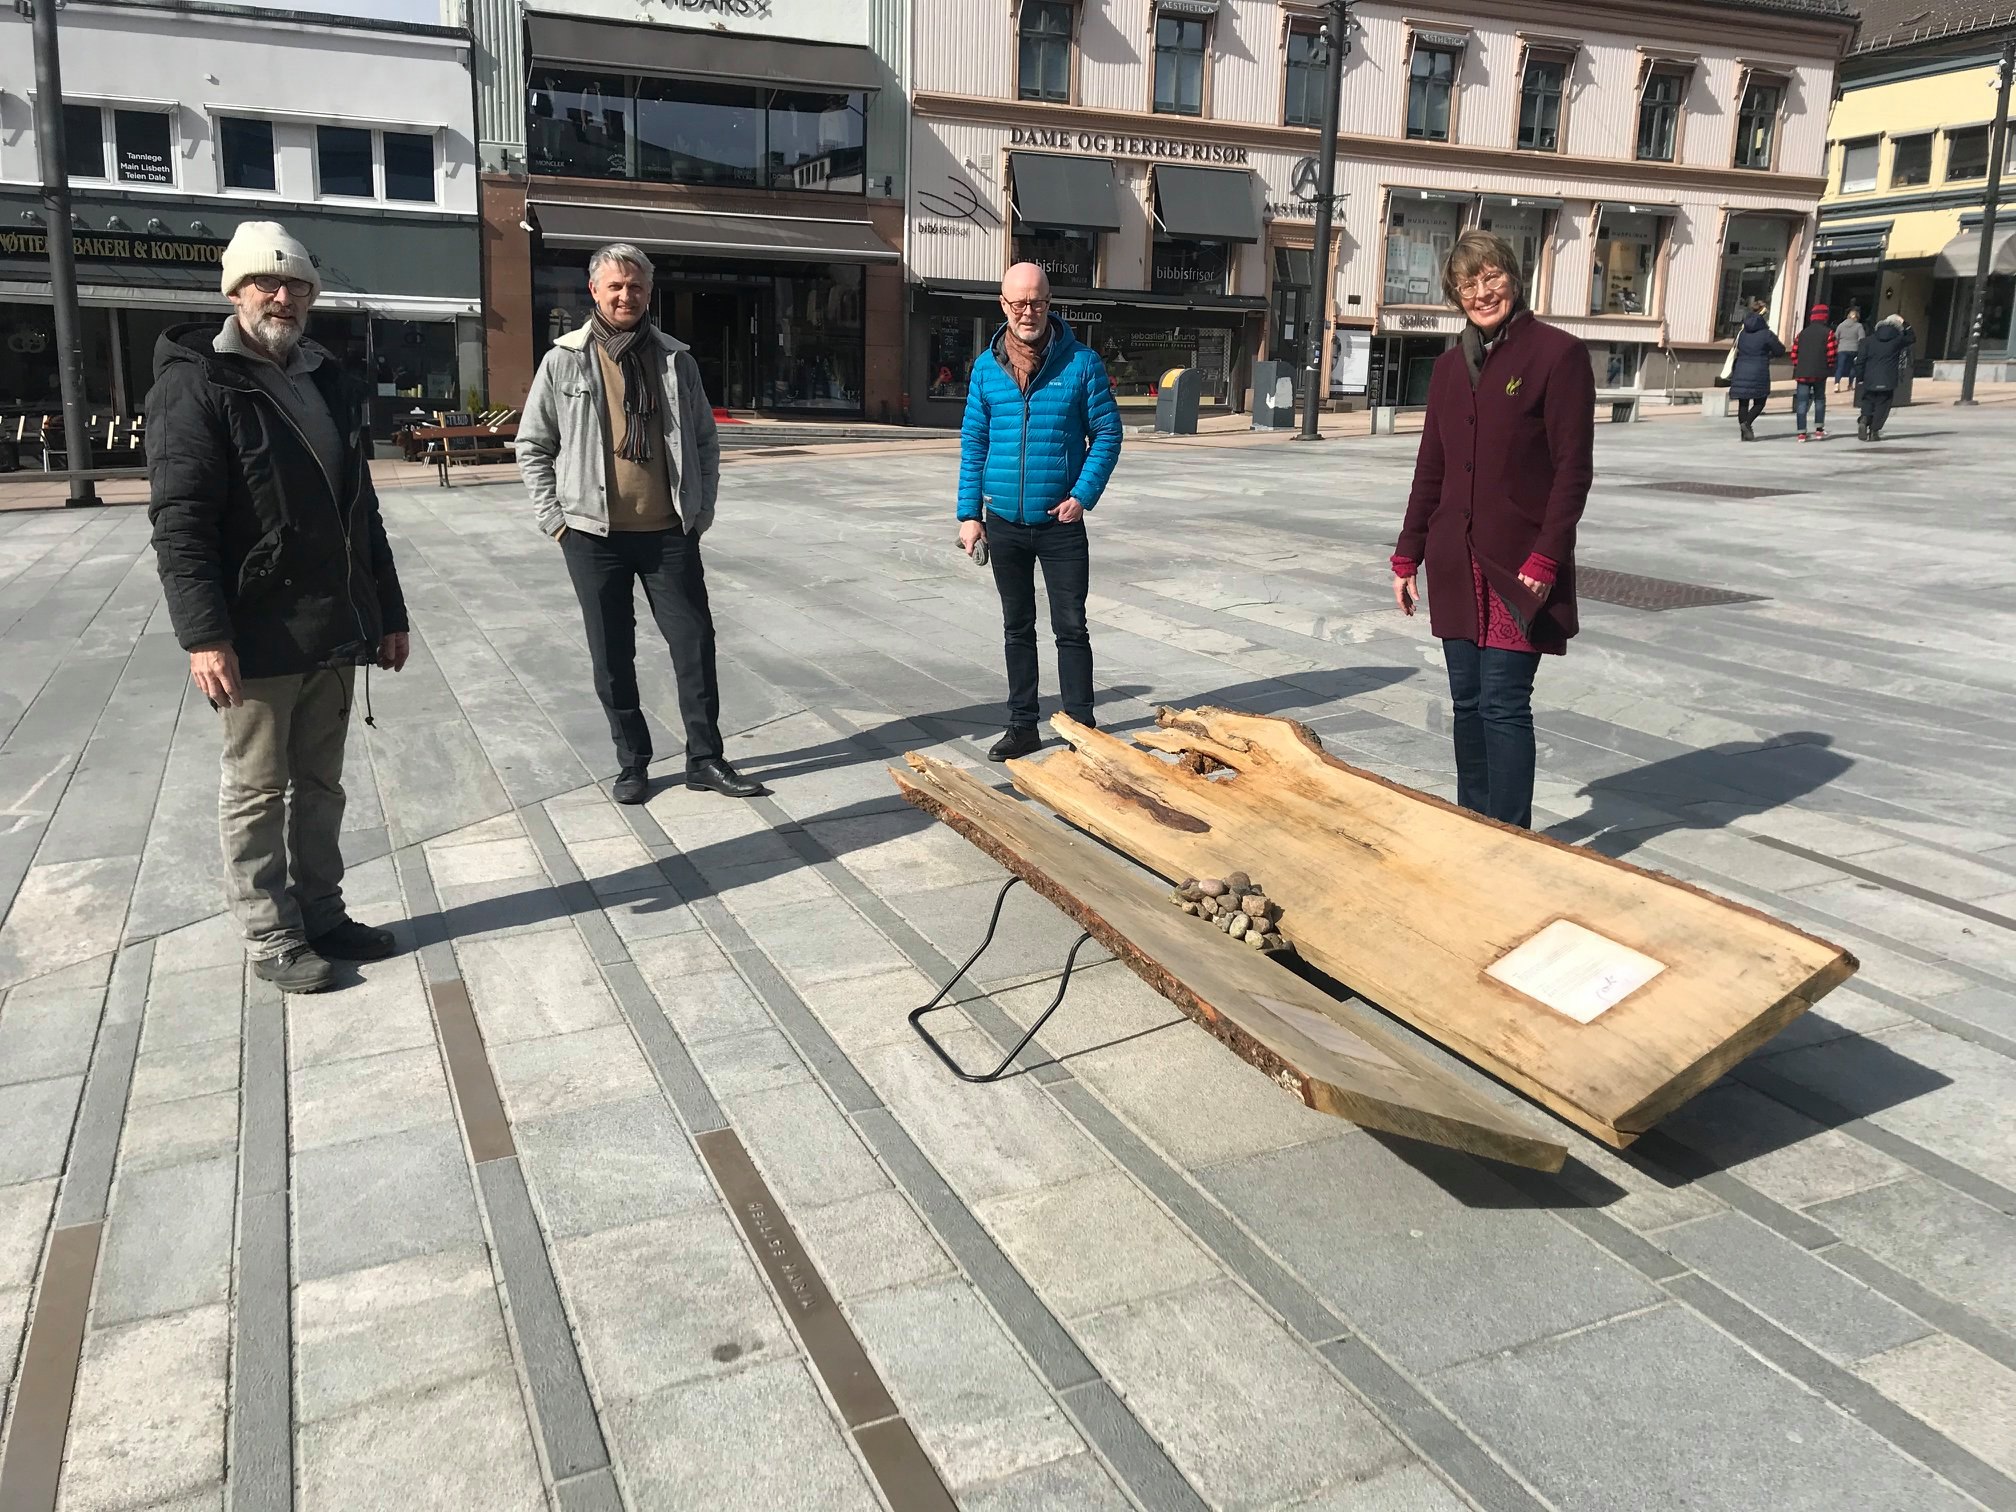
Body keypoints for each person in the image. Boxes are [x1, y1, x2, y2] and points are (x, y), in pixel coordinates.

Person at [146, 221, 409, 994]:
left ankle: (322, 913)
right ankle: (270, 936)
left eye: (296, 284)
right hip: (254, 629)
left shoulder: (327, 377)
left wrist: (386, 609)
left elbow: (361, 512)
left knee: (321, 785)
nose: (282, 295)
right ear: (234, 291)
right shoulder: (198, 380)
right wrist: (204, 635)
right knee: (258, 789)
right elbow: (181, 522)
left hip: (332, 621)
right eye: (267, 281)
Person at [517, 243, 762, 803]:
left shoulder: (677, 360)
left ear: (650, 293)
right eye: (615, 287)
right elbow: (533, 445)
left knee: (694, 643)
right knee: (612, 652)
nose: (626, 296)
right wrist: (554, 519)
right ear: (595, 292)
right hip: (592, 534)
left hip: (668, 532)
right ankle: (632, 762)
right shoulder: (564, 359)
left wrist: (699, 512)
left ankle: (706, 758)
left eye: (636, 287)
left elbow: (704, 440)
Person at [1390, 231, 1594, 831]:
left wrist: (1546, 561)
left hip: (1517, 567)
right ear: (1456, 295)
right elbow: (1432, 468)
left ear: (1512, 277)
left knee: (1504, 705)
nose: (1483, 292)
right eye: (1468, 284)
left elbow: (1572, 474)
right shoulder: (1451, 367)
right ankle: (1472, 827)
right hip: (1457, 561)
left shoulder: (1558, 355)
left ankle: (1510, 838)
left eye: (1492, 277)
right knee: (1467, 705)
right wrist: (1407, 558)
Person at [956, 262, 1123, 761]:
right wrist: (970, 513)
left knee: (1071, 626)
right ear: (1003, 305)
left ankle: (1080, 726)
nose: (1028, 312)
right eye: (1018, 303)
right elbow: (974, 441)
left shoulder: (1082, 363)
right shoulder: (986, 369)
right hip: (1004, 520)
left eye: (1038, 302)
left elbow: (1108, 434)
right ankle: (1022, 724)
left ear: (1051, 303)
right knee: (1016, 626)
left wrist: (1083, 495)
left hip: (1060, 524)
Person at [1728, 299, 1786, 442]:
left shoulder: (1742, 333)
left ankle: (1744, 432)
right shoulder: (1766, 334)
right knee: (1760, 401)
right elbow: (1780, 350)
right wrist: (1769, 354)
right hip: (1759, 370)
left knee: (1743, 402)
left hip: (1741, 369)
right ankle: (1747, 423)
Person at [1856, 313, 1914, 441]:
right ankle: (1874, 431)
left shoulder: (1868, 341)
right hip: (1888, 378)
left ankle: (1865, 418)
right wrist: (1905, 323)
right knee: (1883, 405)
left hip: (1869, 377)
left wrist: (1859, 377)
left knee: (1868, 400)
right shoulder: (1897, 341)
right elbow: (1911, 338)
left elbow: (1860, 360)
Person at [1790, 302, 1836, 441]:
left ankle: (1801, 432)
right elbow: (1831, 354)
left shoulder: (1802, 334)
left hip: (1802, 372)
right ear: (1825, 317)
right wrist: (1829, 366)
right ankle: (1819, 430)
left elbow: (1794, 354)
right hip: (1819, 372)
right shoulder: (1828, 333)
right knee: (1820, 399)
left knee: (1802, 402)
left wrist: (1800, 365)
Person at [1834, 304, 1865, 393]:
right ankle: (1850, 384)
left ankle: (1837, 384)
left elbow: (1836, 337)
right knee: (1853, 367)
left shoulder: (1841, 325)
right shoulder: (1859, 326)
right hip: (1854, 349)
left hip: (1842, 349)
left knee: (1840, 367)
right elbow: (1861, 339)